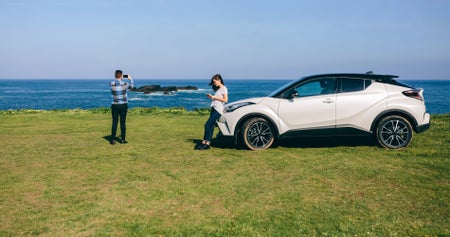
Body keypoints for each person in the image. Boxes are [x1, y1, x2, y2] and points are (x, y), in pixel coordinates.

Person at [195, 74, 228, 150]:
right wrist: (212, 97)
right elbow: (218, 99)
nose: (214, 83)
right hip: (214, 108)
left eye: (215, 81)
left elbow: (225, 100)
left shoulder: (224, 88)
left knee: (207, 125)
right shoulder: (219, 89)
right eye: (213, 82)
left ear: (219, 80)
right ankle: (206, 143)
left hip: (218, 110)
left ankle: (205, 142)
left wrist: (214, 97)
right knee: (211, 126)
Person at [110, 70, 134, 145]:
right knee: (122, 122)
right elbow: (132, 86)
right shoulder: (125, 84)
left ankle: (113, 140)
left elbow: (117, 82)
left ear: (115, 75)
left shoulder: (111, 83)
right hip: (123, 105)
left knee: (114, 122)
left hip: (115, 105)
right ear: (121, 75)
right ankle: (123, 139)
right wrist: (130, 78)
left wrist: (120, 78)